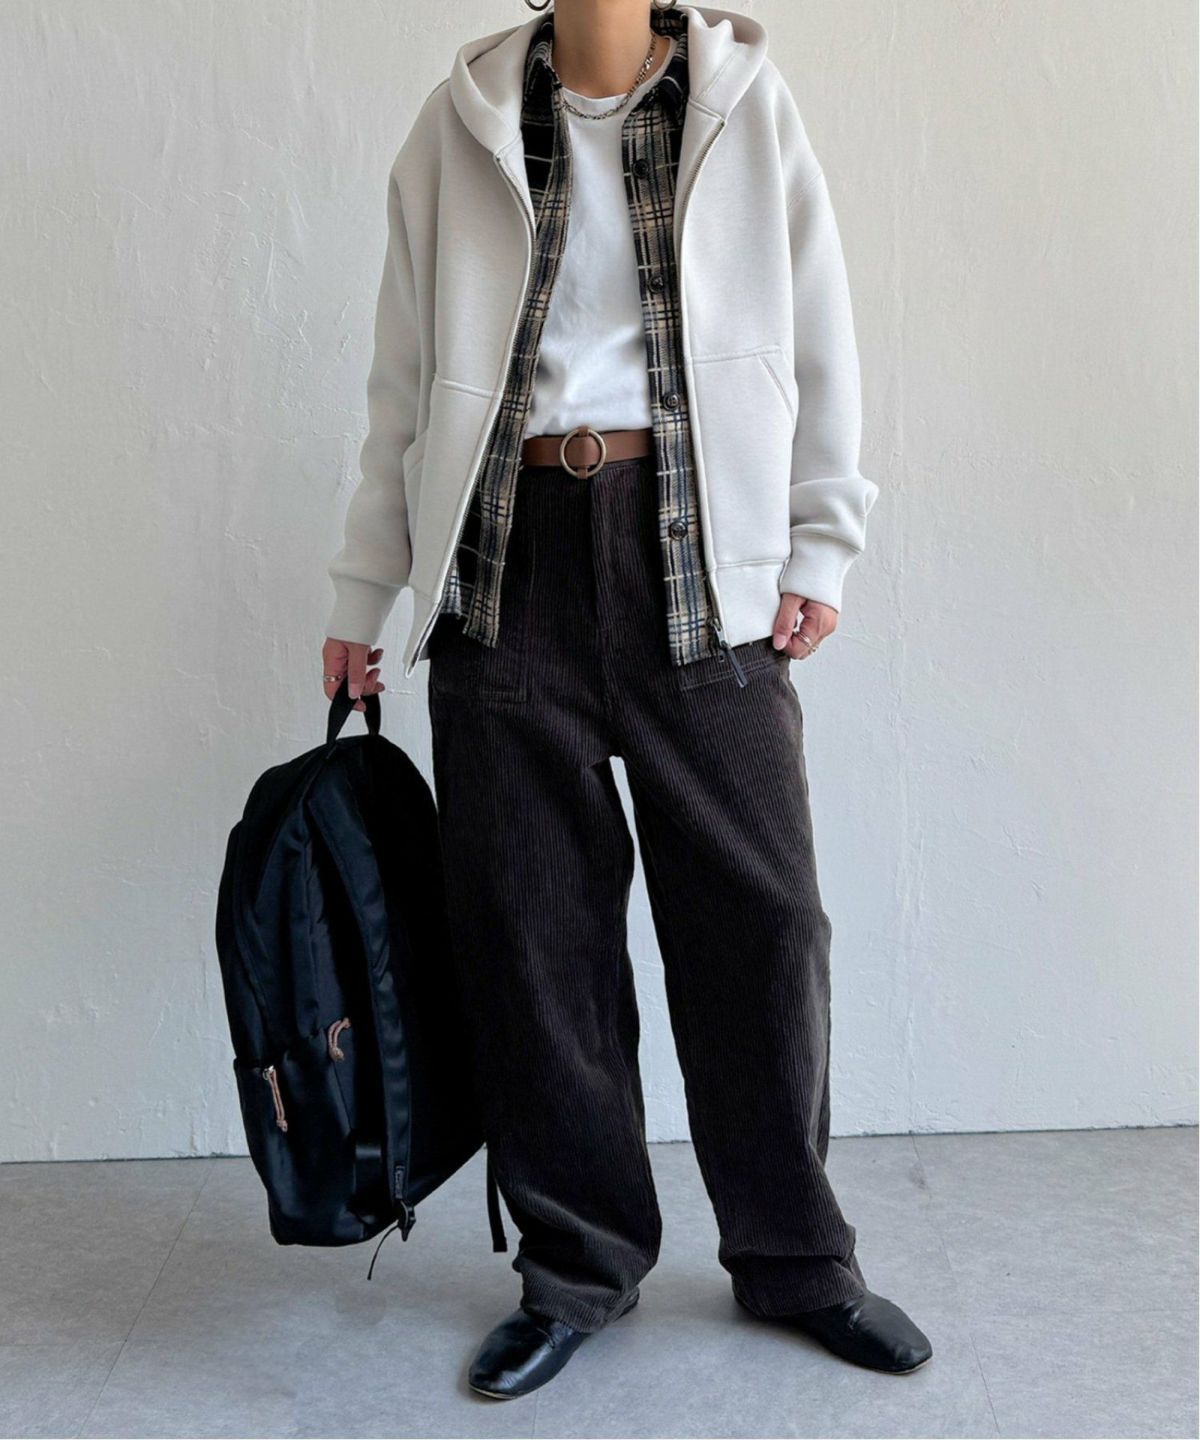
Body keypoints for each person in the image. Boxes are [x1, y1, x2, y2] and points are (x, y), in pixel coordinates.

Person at [321, 0, 931, 1400]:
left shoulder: (743, 106)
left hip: (697, 547)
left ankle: (796, 1257)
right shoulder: (458, 124)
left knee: (761, 922)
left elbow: (819, 332)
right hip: (505, 558)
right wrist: (364, 590)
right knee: (533, 938)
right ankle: (578, 1265)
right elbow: (402, 385)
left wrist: (820, 542)